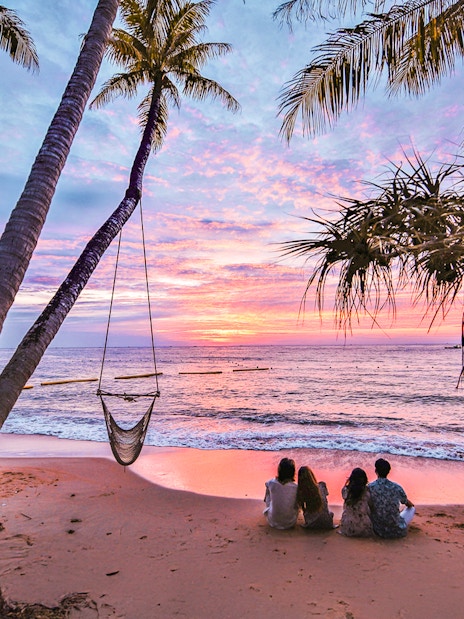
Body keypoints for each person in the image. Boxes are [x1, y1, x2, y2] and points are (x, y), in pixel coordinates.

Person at [368, 458, 415, 538]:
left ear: (376, 471)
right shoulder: (396, 487)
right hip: (396, 530)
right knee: (412, 509)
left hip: (377, 530)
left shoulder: (370, 487)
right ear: (388, 472)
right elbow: (408, 504)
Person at [263, 457, 298, 529]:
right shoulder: (296, 486)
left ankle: (271, 508)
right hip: (290, 522)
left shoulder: (271, 482)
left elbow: (266, 484)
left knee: (269, 490)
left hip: (273, 521)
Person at [339, 468, 374, 537]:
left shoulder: (345, 490)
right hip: (364, 529)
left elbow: (345, 498)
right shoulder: (367, 491)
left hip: (348, 528)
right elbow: (371, 505)